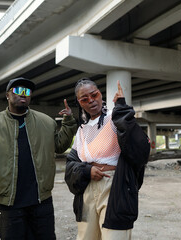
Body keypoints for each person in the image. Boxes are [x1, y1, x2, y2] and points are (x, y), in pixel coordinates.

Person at [0, 77, 77, 240]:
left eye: (27, 91)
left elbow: (60, 146)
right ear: (7, 95)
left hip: (41, 200)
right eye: (18, 91)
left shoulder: (46, 122)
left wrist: (68, 123)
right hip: (9, 202)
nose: (23, 94)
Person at [64, 78, 150, 240]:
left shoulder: (114, 118)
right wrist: (87, 171)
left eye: (94, 95)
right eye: (84, 99)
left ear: (100, 94)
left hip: (114, 187)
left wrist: (122, 109)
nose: (91, 100)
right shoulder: (82, 130)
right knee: (86, 236)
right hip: (87, 189)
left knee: (114, 235)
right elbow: (71, 163)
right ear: (79, 103)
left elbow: (139, 148)